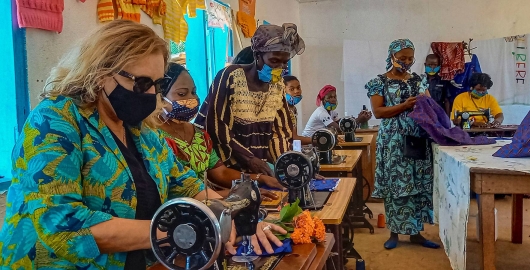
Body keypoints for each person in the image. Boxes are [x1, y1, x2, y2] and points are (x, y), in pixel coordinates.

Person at [0, 20, 286, 269]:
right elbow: (63, 226)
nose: (150, 94)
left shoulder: (141, 131)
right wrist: (179, 230)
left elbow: (184, 184)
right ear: (100, 73)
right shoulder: (55, 121)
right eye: (140, 83)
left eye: (157, 85)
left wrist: (232, 218)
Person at [157, 62, 285, 197]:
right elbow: (178, 192)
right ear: (160, 97)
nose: (192, 99)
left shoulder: (200, 135)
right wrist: (234, 193)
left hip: (208, 204)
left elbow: (221, 173)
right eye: (182, 94)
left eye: (194, 92)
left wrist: (259, 178)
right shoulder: (154, 139)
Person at [196, 23, 304, 177]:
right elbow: (217, 128)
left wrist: (289, 166)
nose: (279, 67)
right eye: (274, 61)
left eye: (284, 62)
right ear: (257, 55)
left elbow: (279, 133)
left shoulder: (277, 85)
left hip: (256, 170)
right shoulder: (231, 76)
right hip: (225, 172)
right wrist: (249, 158)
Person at [365, 38, 439, 250]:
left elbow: (429, 104)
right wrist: (404, 105)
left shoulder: (419, 81)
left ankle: (416, 234)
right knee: (397, 186)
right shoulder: (378, 82)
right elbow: (378, 112)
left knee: (416, 185)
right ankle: (394, 233)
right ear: (392, 57)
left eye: (410, 58)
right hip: (393, 142)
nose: (407, 61)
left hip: (417, 139)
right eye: (402, 57)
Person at [302, 85, 372, 137]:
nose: (333, 100)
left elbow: (342, 123)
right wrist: (359, 120)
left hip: (319, 139)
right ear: (323, 100)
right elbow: (339, 129)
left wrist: (359, 117)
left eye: (334, 97)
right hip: (309, 142)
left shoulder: (332, 112)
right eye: (329, 97)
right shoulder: (321, 112)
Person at [283, 75, 312, 144]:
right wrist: (316, 140)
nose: (296, 91)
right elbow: (294, 138)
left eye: (298, 88)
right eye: (291, 89)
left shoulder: (293, 109)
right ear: (283, 91)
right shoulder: (284, 109)